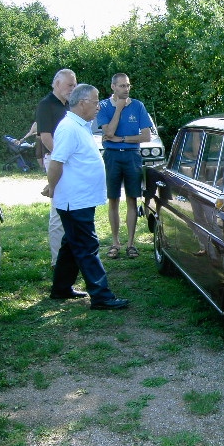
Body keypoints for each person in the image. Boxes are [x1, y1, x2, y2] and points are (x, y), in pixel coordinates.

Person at [47, 83, 129, 310]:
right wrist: (51, 187)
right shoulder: (69, 128)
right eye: (95, 102)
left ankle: (61, 288)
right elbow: (56, 162)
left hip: (80, 199)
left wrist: (52, 186)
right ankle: (101, 297)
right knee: (87, 246)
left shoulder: (79, 125)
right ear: (82, 103)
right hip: (75, 201)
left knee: (71, 244)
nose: (98, 106)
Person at [96, 73, 152, 259]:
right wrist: (119, 109)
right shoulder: (104, 106)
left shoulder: (138, 106)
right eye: (121, 86)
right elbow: (109, 132)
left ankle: (131, 244)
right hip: (112, 156)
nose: (126, 89)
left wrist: (122, 139)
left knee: (132, 199)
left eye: (128, 85)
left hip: (132, 156)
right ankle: (115, 243)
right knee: (113, 199)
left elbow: (146, 136)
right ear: (113, 87)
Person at [36, 69, 77, 266]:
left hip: (69, 160)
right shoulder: (46, 105)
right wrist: (62, 158)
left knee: (73, 207)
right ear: (57, 84)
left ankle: (72, 257)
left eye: (75, 85)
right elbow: (45, 138)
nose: (73, 88)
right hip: (55, 159)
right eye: (70, 85)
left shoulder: (70, 105)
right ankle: (57, 261)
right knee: (58, 209)